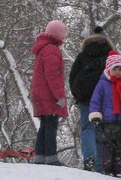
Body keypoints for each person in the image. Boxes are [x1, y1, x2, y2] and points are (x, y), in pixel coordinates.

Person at [69, 26, 115, 172]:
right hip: (105, 97)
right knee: (102, 129)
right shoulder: (111, 56)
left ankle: (89, 158)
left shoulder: (83, 55)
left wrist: (77, 95)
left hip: (85, 96)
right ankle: (100, 165)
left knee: (87, 128)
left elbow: (72, 76)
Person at [30, 19, 69, 166]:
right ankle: (51, 156)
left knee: (45, 124)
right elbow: (52, 75)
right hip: (48, 94)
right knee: (51, 123)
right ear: (58, 34)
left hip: (40, 92)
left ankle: (40, 156)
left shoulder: (43, 48)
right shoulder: (52, 49)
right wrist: (59, 95)